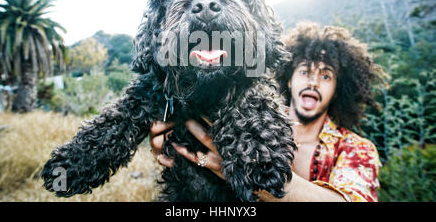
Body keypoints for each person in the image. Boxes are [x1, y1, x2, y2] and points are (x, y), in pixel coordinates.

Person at [149, 21, 385, 202]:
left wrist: (246, 173)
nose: (313, 82)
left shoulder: (356, 149)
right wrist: (174, 142)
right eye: (304, 71)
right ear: (289, 79)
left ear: (337, 89)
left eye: (325, 75)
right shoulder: (243, 119)